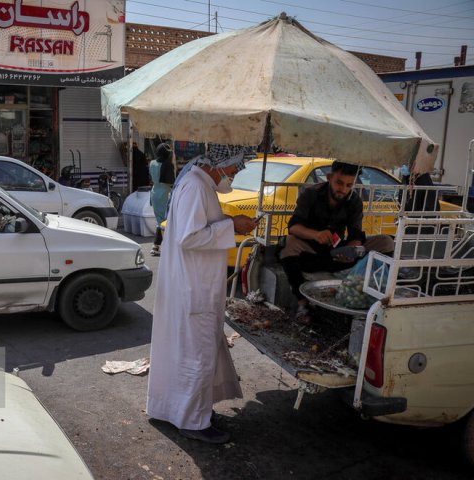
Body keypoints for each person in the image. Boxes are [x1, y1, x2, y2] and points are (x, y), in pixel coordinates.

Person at [147, 143, 258, 444]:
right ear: (219, 164)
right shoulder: (196, 186)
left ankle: (185, 411)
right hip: (194, 289)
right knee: (196, 354)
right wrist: (232, 225)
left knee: (188, 353)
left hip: (193, 285)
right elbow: (190, 237)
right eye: (234, 169)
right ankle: (193, 421)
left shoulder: (199, 183)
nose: (233, 175)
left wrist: (228, 224)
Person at [279, 160, 395, 324]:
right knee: (288, 243)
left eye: (349, 185)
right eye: (339, 183)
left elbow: (356, 234)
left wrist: (352, 248)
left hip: (338, 255)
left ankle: (374, 298)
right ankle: (303, 306)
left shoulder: (354, 201)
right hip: (311, 253)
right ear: (329, 177)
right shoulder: (311, 194)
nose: (343, 189)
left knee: (386, 242)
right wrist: (316, 234)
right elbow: (293, 227)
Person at [149, 143, 176, 256]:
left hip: (154, 193)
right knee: (166, 222)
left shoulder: (152, 163)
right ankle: (161, 247)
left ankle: (156, 246)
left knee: (160, 221)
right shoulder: (167, 165)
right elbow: (170, 182)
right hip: (165, 194)